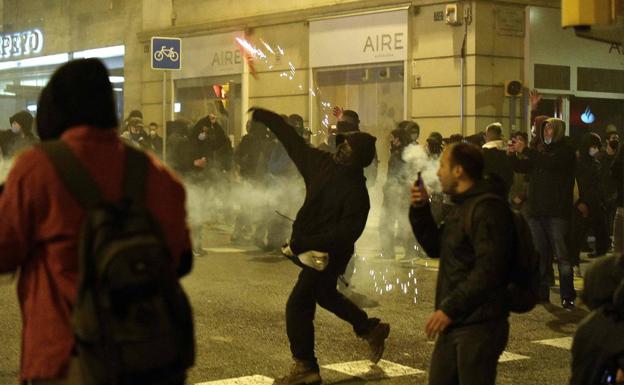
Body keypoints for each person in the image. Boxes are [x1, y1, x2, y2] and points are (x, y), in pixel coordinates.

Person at [0, 58, 193, 384]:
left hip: (67, 358)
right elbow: (181, 259)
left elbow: (4, 251)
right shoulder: (154, 173)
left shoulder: (36, 168)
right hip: (149, 358)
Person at [250, 108, 389, 385]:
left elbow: (345, 234)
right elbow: (293, 143)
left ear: (358, 158)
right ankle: (369, 327)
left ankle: (305, 368)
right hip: (309, 246)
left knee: (298, 304)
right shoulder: (321, 163)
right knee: (325, 294)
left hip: (330, 254)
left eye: (347, 147)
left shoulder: (357, 194)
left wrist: (308, 242)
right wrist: (269, 118)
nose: (340, 149)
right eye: (342, 144)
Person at [409, 143, 514, 385]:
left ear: (458, 171)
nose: (437, 173)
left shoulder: (487, 209)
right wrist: (420, 209)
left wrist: (449, 308)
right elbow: (436, 247)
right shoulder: (462, 206)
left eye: (443, 166)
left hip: (479, 325)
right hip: (456, 322)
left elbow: (490, 270)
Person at [508, 117, 577, 309]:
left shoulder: (565, 152)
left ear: (558, 131)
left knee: (562, 256)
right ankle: (541, 292)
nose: (547, 132)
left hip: (557, 213)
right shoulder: (541, 152)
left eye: (550, 129)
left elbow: (549, 163)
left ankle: (567, 295)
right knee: (540, 254)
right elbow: (522, 167)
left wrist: (526, 150)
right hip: (537, 211)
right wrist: (512, 154)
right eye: (545, 129)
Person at [570, 133, 609, 261]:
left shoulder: (596, 163)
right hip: (583, 204)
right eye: (593, 146)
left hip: (596, 203)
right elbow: (574, 185)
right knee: (578, 234)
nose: (596, 149)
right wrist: (579, 202)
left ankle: (600, 256)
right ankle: (574, 260)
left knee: (601, 232)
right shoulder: (577, 164)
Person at [379, 127, 417, 260]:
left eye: (393, 137)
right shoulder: (408, 153)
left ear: (398, 140)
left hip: (395, 194)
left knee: (386, 223)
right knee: (404, 223)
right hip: (405, 194)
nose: (391, 140)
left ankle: (388, 253)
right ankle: (410, 252)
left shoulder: (397, 155)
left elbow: (395, 176)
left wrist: (389, 188)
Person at [482, 122, 514, 197]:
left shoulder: (485, 150)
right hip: (506, 190)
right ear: (500, 135)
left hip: (489, 192)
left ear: (487, 135)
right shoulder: (509, 150)